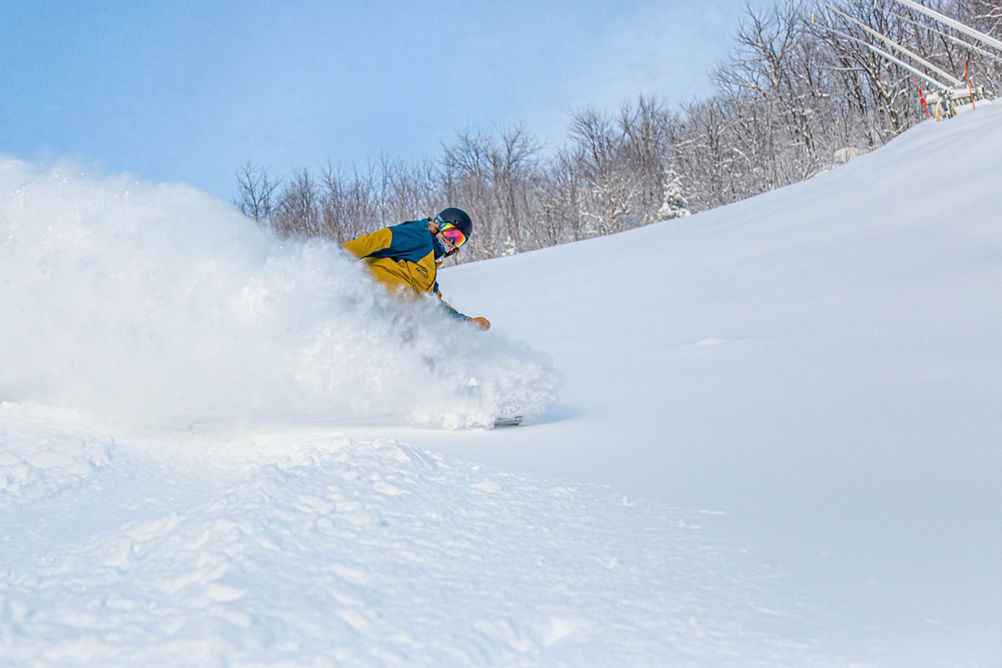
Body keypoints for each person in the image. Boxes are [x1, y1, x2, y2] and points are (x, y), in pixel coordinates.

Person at [341, 207, 491, 330]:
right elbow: (376, 241)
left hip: (389, 316)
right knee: (406, 299)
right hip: (371, 292)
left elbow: (433, 305)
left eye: (458, 240)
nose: (451, 242)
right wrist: (335, 255)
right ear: (439, 224)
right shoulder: (420, 235)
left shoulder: (429, 268)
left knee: (418, 318)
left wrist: (464, 321)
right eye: (451, 232)